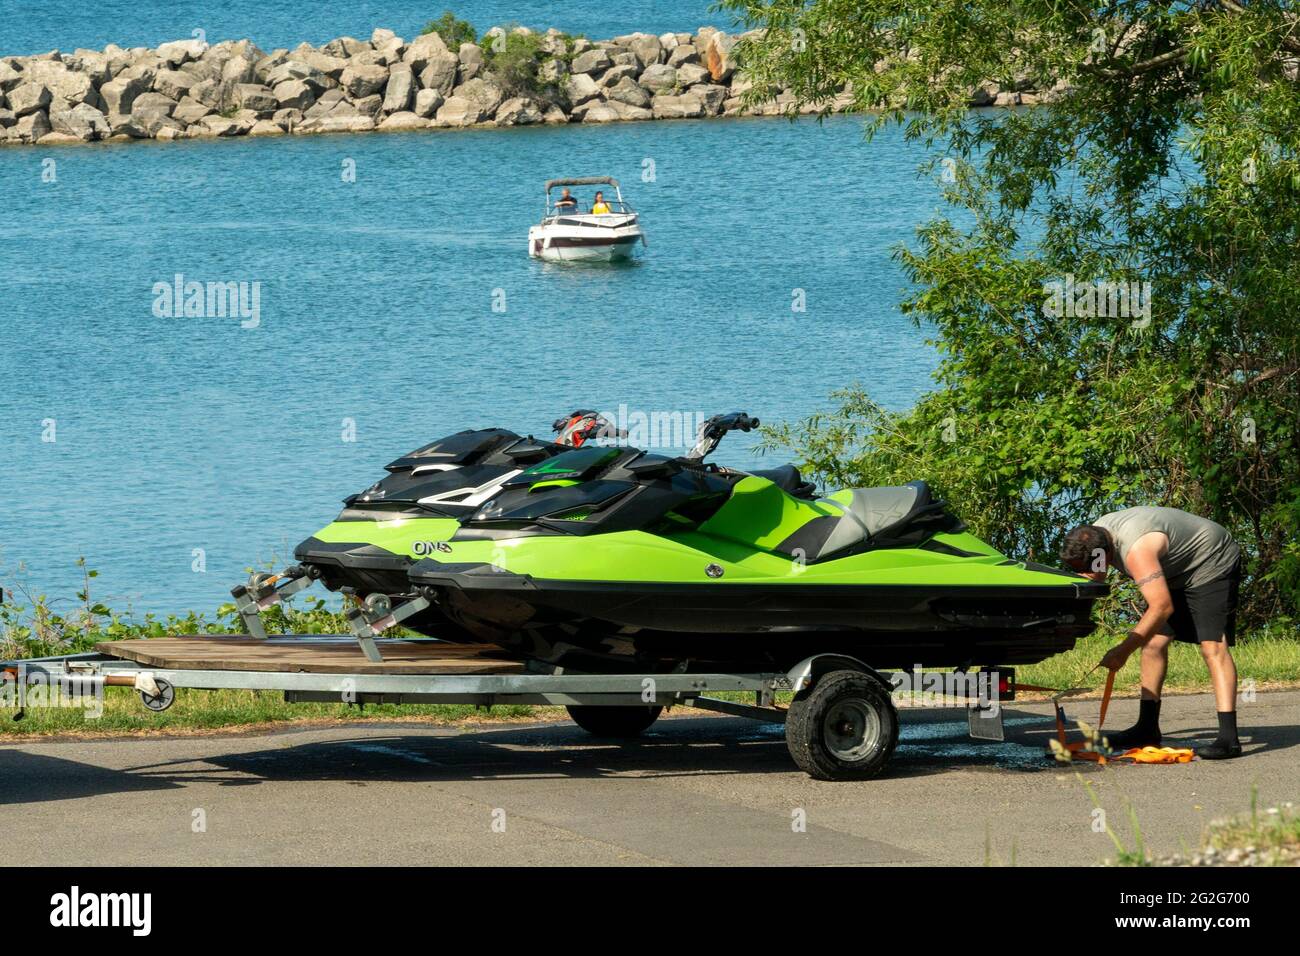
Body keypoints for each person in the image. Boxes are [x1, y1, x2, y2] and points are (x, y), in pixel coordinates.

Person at [1060, 507, 1243, 758]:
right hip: (1173, 567)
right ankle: (1146, 729)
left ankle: (1228, 739)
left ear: (1103, 555)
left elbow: (1162, 606)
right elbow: (1097, 579)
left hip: (1210, 558)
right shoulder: (1094, 537)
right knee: (1153, 643)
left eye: (1087, 568)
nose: (1085, 574)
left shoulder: (1137, 551)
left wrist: (1122, 651)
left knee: (1212, 645)